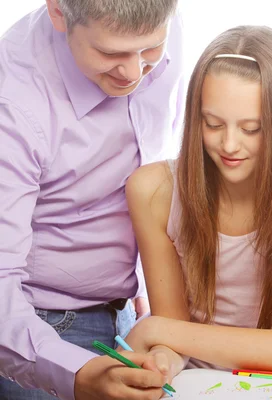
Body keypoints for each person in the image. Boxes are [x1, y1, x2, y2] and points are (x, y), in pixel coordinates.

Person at [122, 25, 272, 379]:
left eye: (251, 129)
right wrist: (161, 360)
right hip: (188, 381)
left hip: (267, 386)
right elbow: (174, 336)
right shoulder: (152, 191)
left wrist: (154, 331)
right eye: (212, 124)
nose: (228, 145)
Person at [0, 0, 186, 399]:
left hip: (132, 317)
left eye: (150, 50)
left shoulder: (158, 22)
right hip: (41, 333)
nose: (135, 73)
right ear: (58, 12)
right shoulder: (12, 106)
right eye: (111, 53)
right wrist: (78, 373)